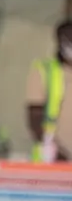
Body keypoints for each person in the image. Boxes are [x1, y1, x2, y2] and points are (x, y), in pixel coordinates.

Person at [26, 20, 72, 163]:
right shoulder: (44, 70)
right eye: (67, 38)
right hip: (53, 155)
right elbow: (35, 115)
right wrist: (50, 147)